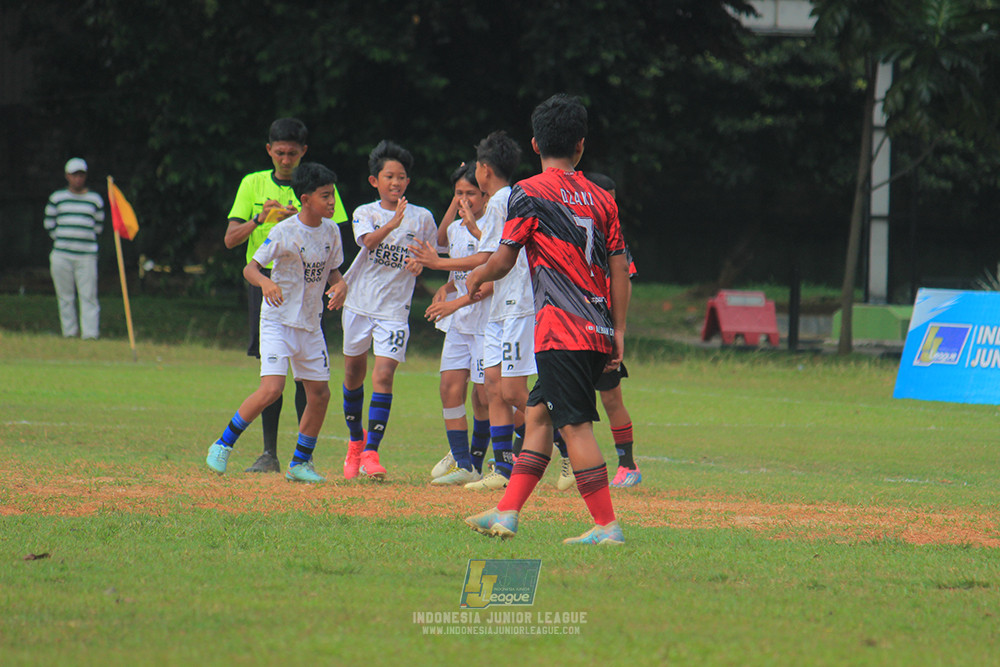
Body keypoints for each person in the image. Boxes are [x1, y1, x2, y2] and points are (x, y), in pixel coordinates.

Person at [464, 93, 630, 545]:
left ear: (535, 145)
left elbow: (503, 259)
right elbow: (620, 269)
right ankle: (507, 511)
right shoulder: (602, 198)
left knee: (573, 425)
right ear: (581, 145)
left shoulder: (529, 193)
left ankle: (605, 525)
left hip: (561, 330)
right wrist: (618, 331)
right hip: (595, 329)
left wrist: (477, 276)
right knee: (538, 417)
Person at [206, 162, 348, 482]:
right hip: (278, 321)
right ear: (305, 198)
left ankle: (300, 462)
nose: (332, 203)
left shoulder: (332, 231)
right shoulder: (283, 231)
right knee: (272, 388)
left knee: (320, 394)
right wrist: (266, 283)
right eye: (325, 196)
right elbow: (250, 269)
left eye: (333, 195)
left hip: (310, 324)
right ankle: (223, 444)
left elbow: (335, 273)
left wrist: (340, 287)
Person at [409, 131, 527, 491]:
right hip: (493, 313)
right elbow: (475, 257)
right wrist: (455, 283)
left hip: (509, 307)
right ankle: (488, 464)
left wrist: (448, 273)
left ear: (485, 171)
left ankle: (562, 442)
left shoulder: (498, 203)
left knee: (506, 392)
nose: (464, 197)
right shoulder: (499, 202)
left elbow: (487, 260)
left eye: (469, 188)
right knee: (493, 390)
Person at [340, 140, 437, 480]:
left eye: (401, 177)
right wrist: (393, 224)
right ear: (374, 181)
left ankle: (371, 451)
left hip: (394, 310)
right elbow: (367, 243)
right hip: (358, 305)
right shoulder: (364, 213)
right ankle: (355, 442)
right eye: (389, 176)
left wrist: (419, 264)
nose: (396, 183)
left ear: (408, 182)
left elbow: (430, 252)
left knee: (383, 375)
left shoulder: (422, 217)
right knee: (354, 375)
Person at [422, 163, 492, 485]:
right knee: (449, 388)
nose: (465, 199)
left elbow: (487, 283)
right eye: (459, 193)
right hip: (459, 323)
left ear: (485, 194)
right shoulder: (455, 230)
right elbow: (456, 276)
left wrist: (452, 303)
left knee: (484, 397)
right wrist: (445, 289)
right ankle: (463, 463)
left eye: (471, 194)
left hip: (485, 324)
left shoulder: (493, 228)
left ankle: (480, 460)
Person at [581, 172, 642, 488]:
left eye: (614, 202)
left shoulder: (616, 241)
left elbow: (625, 283)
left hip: (601, 329)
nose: (612, 208)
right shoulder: (574, 231)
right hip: (573, 324)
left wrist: (619, 328)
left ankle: (627, 465)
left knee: (610, 398)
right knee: (561, 397)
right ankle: (573, 464)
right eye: (607, 201)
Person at [44, 158, 104, 339]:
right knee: (65, 296)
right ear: (67, 176)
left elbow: (98, 226)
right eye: (74, 175)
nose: (78, 179)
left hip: (86, 255)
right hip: (62, 254)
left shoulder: (94, 199)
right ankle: (69, 333)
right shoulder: (57, 198)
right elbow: (49, 225)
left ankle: (90, 334)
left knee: (88, 295)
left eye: (81, 175)